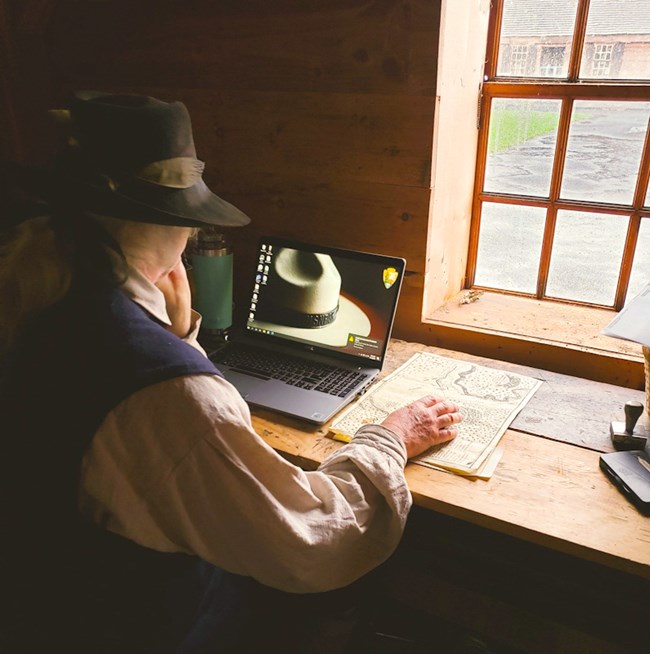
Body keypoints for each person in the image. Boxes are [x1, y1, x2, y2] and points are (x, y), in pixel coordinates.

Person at [0, 91, 462, 654]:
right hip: (143, 628)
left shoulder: (37, 293)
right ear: (176, 230)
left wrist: (176, 336)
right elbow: (311, 542)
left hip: (43, 597)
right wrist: (389, 440)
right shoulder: (168, 395)